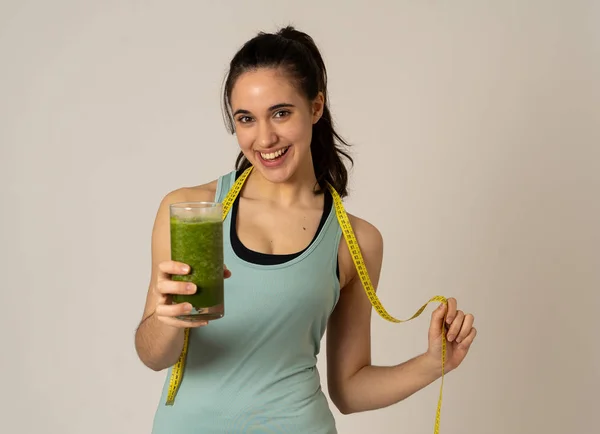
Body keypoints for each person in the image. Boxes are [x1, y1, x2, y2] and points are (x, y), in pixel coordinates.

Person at [134, 26, 477, 434]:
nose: (265, 138)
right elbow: (155, 356)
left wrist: (433, 363)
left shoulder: (356, 241)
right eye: (246, 119)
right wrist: (168, 319)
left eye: (281, 113)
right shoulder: (191, 211)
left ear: (315, 108)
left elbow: (349, 390)